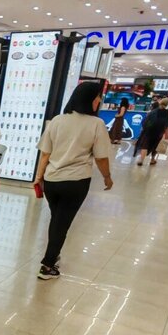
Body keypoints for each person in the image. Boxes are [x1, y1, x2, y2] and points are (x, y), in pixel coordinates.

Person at [34, 81, 113, 281]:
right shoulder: (96, 124)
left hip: (52, 181)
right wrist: (107, 177)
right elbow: (101, 157)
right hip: (76, 182)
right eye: (97, 97)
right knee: (62, 223)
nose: (99, 101)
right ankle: (48, 265)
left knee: (57, 219)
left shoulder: (57, 121)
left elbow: (45, 154)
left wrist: (39, 177)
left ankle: (53, 254)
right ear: (89, 99)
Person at [136, 99, 168, 166]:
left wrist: (144, 130)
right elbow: (167, 124)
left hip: (149, 131)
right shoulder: (167, 112)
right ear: (167, 104)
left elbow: (146, 122)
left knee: (145, 145)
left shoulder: (153, 111)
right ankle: (152, 159)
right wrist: (166, 134)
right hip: (159, 132)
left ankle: (141, 160)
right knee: (155, 146)